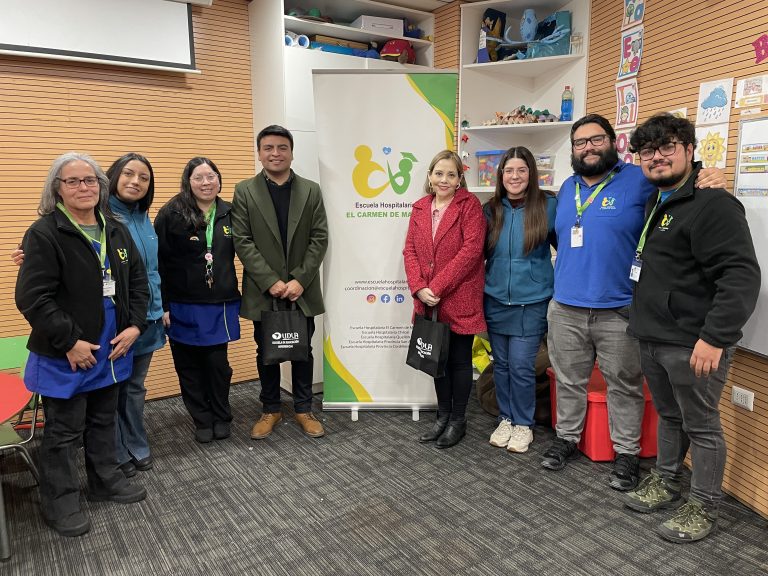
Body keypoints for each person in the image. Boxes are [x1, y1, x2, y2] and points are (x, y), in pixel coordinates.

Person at [542, 114, 726, 492]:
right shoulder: (567, 188)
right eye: (580, 142)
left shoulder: (639, 179)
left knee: (624, 385)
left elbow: (678, 187)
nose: (588, 147)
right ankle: (567, 439)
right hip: (566, 307)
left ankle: (626, 453)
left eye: (596, 139)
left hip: (620, 309)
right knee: (569, 381)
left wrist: (709, 174)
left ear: (614, 143)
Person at [623, 113, 760, 543]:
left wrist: (715, 338)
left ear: (689, 150)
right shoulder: (658, 199)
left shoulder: (713, 203)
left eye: (667, 147)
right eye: (648, 151)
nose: (657, 157)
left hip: (693, 342)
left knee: (701, 425)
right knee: (669, 416)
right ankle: (666, 480)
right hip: (653, 334)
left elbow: (740, 275)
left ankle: (703, 504)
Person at [15, 152, 148, 537]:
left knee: (103, 420)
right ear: (57, 189)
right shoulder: (44, 233)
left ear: (101, 186)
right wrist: (71, 341)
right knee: (63, 432)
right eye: (72, 181)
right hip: (67, 352)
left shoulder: (116, 230)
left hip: (112, 346)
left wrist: (136, 326)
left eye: (90, 180)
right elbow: (33, 298)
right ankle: (60, 502)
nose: (83, 187)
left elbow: (137, 282)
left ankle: (104, 481)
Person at [231, 125, 328, 440]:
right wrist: (270, 280)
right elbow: (242, 240)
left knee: (303, 350)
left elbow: (319, 238)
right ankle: (270, 408)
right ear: (259, 153)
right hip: (264, 290)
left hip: (302, 289)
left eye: (282, 147)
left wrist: (300, 279)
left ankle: (303, 408)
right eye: (269, 148)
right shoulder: (245, 191)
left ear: (291, 152)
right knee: (266, 351)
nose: (276, 153)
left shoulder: (311, 190)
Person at [403, 150, 486, 449]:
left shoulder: (470, 206)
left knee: (460, 362)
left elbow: (471, 251)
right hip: (427, 299)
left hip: (459, 296)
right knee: (437, 360)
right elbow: (410, 251)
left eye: (451, 174)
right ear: (429, 176)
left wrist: (435, 286)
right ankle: (443, 416)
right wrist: (418, 287)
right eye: (439, 173)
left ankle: (458, 420)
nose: (444, 180)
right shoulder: (420, 208)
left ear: (460, 179)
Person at [155, 157, 241, 443]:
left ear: (219, 179)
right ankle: (202, 420)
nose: (206, 183)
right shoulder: (171, 213)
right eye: (199, 178)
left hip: (220, 304)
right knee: (189, 367)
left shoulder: (231, 212)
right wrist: (163, 305)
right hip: (182, 304)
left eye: (211, 176)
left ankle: (221, 416)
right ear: (188, 182)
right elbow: (158, 263)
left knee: (218, 366)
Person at [484, 147, 556, 453]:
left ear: (531, 174)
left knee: (521, 366)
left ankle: (523, 424)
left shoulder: (549, 205)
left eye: (521, 170)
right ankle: (506, 418)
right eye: (509, 170)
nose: (515, 176)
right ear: (501, 175)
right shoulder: (490, 210)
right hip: (495, 299)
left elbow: (568, 248)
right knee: (500, 365)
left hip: (532, 301)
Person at [105, 153, 165, 477]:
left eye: (144, 177)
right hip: (120, 321)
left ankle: (135, 443)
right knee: (114, 389)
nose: (135, 182)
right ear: (114, 175)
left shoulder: (143, 216)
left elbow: (152, 271)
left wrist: (161, 308)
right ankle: (116, 449)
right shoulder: (101, 215)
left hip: (149, 317)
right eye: (129, 174)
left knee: (135, 387)